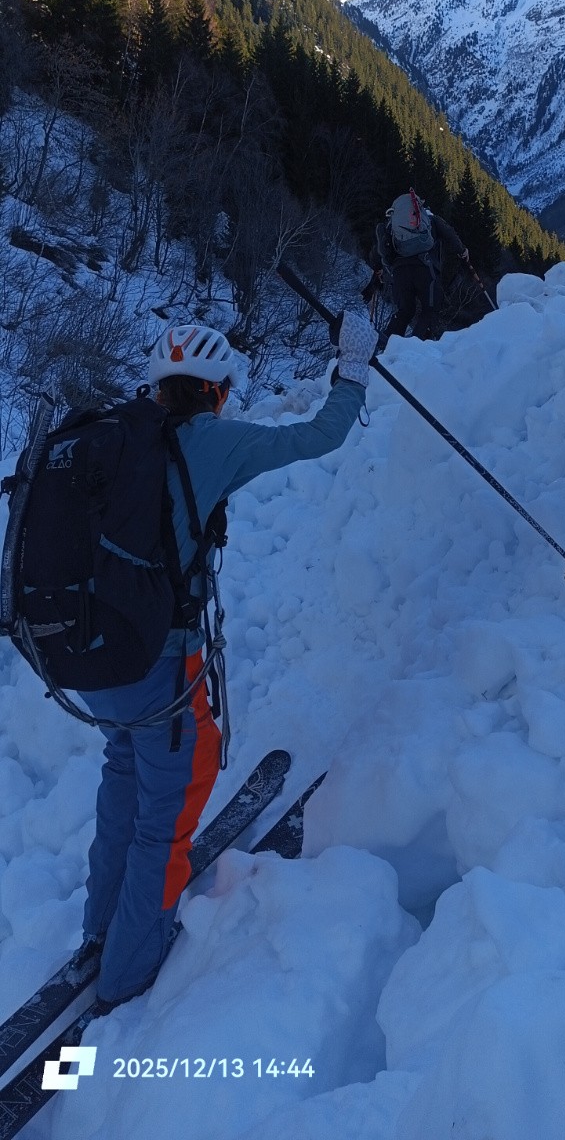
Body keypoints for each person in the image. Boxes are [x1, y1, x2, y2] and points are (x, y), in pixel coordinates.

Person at [76, 309, 376, 1012]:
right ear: (213, 391)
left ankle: (100, 928)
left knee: (125, 767)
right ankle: (127, 970)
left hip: (90, 659)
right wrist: (353, 368)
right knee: (174, 795)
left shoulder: (110, 442)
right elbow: (319, 435)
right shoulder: (210, 440)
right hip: (158, 663)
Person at [363, 189, 469, 341]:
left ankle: (386, 346)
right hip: (425, 269)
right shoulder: (431, 220)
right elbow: (449, 233)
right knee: (429, 310)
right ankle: (415, 348)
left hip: (399, 273)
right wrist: (463, 250)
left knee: (405, 311)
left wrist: (378, 268)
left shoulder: (393, 225)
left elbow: (379, 250)